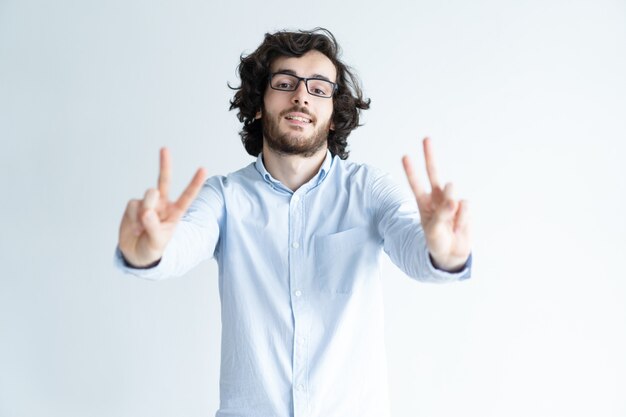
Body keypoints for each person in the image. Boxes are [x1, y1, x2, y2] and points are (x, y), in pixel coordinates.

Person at [115, 28, 472, 417]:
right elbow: (183, 242)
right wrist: (150, 251)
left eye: (319, 88)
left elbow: (415, 249)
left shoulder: (368, 190)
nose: (301, 95)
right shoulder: (224, 196)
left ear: (335, 115)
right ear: (257, 104)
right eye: (285, 83)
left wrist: (443, 253)